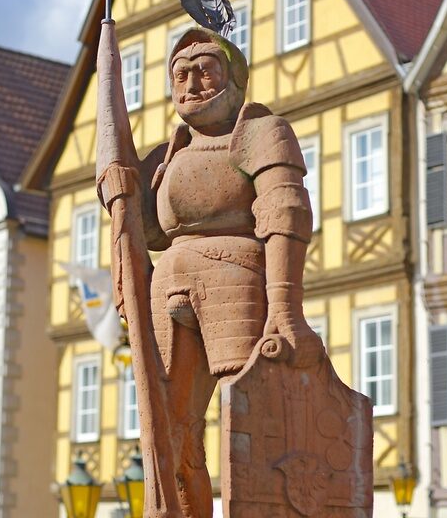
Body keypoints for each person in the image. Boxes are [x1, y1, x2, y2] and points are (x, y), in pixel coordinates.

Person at [108, 27, 323, 517]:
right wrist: (120, 185)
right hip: (169, 283)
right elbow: (144, 236)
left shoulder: (262, 133)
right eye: (180, 74)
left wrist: (286, 308)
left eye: (205, 70)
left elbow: (284, 212)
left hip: (237, 276)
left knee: (248, 411)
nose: (193, 83)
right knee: (169, 425)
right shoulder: (165, 159)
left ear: (234, 78)